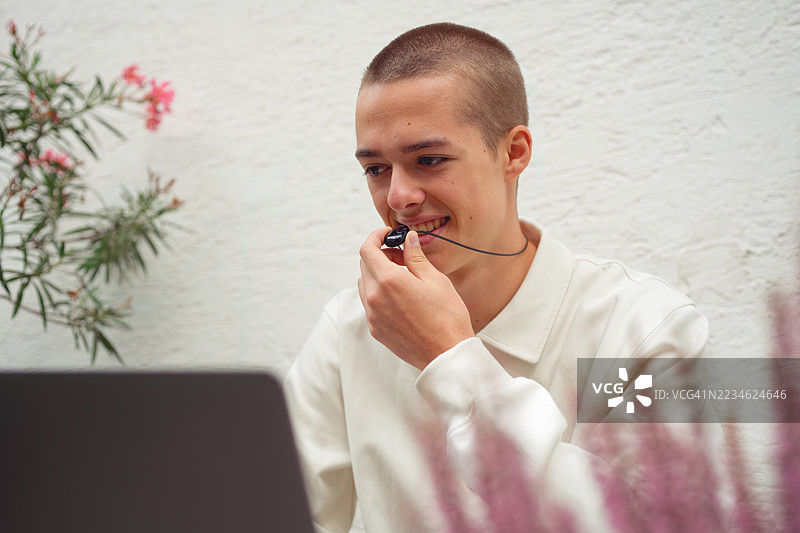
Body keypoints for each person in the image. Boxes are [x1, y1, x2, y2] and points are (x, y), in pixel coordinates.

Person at [284, 22, 733, 533]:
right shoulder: (349, 326)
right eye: (376, 169)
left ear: (513, 153)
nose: (398, 197)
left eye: (428, 160)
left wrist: (449, 357)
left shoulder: (642, 330)